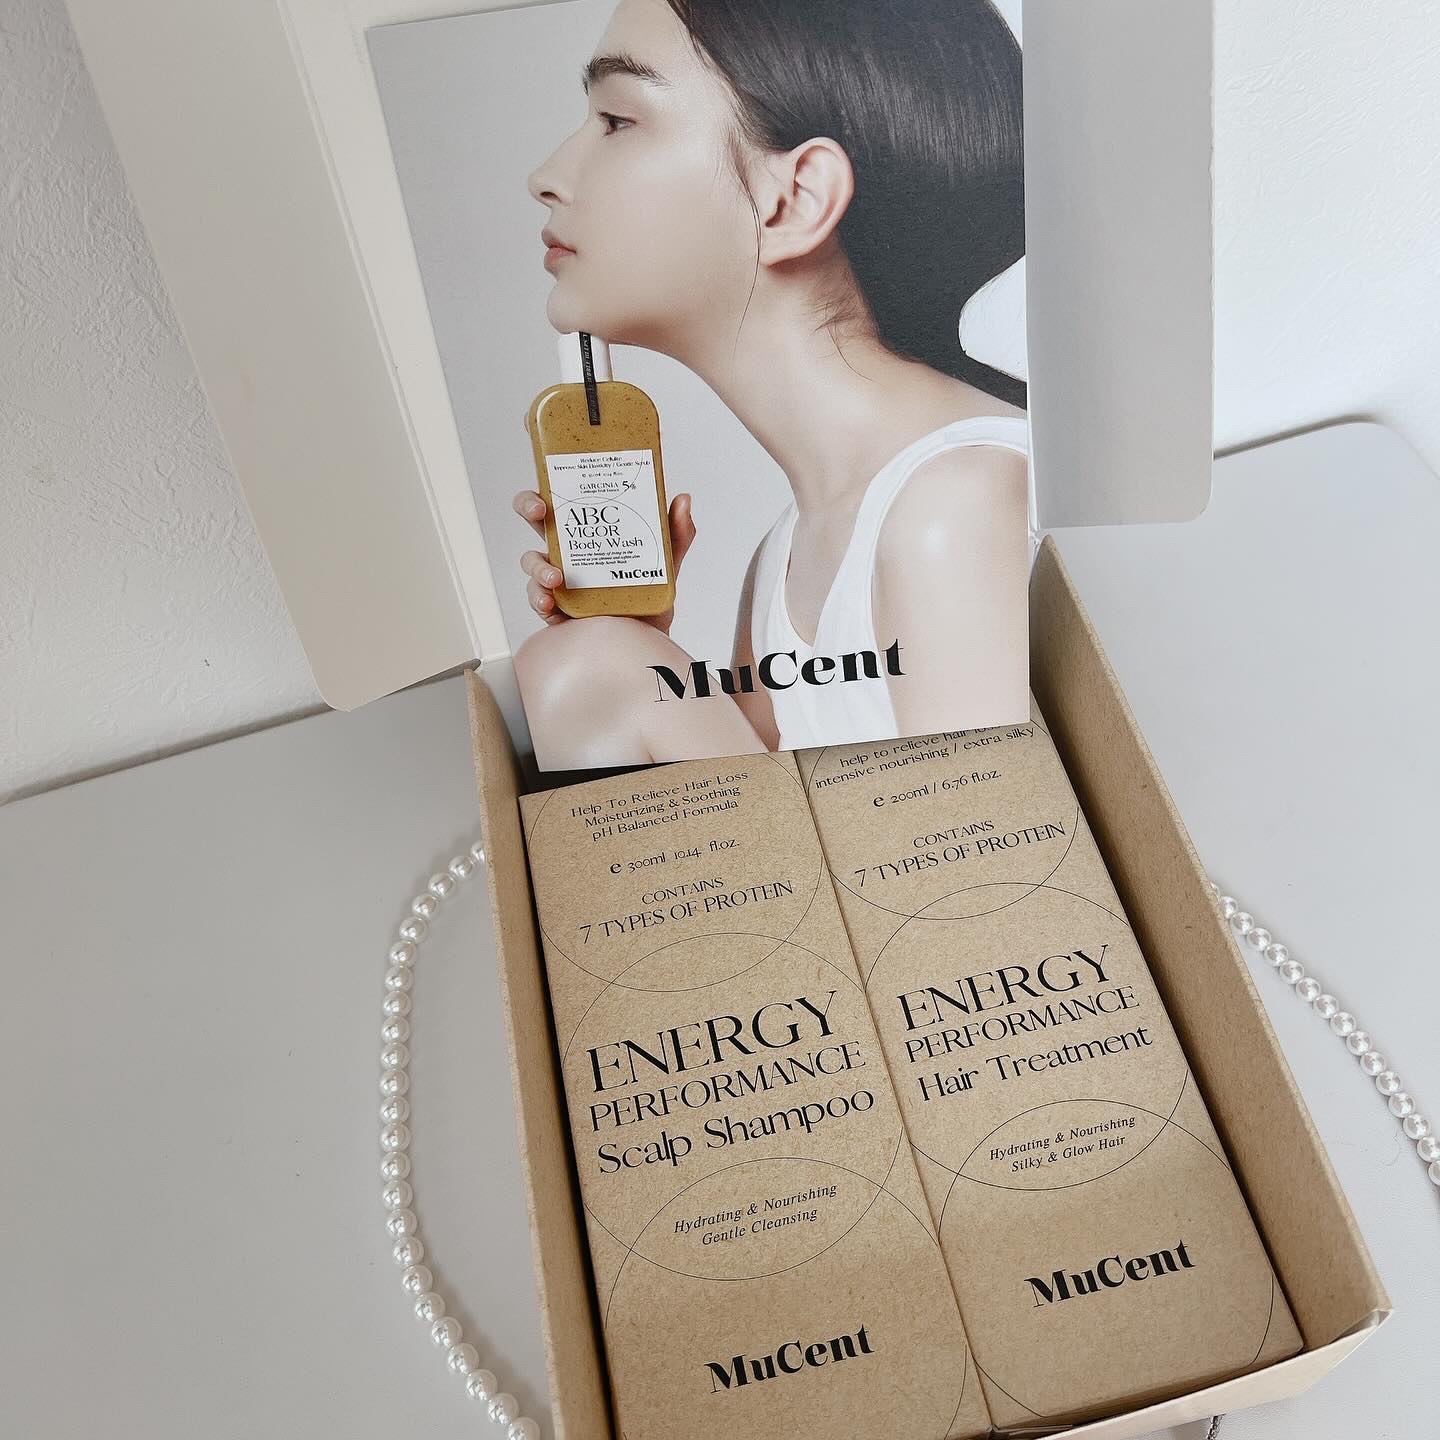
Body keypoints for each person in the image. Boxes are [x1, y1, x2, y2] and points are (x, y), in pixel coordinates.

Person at [513, 0, 1030, 769]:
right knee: (592, 673)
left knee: (588, 675)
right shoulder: (787, 554)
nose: (546, 178)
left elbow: (994, 847)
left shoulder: (951, 509)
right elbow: (759, 820)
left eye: (617, 120)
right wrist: (639, 644)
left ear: (795, 199)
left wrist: (614, 673)